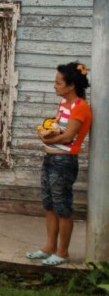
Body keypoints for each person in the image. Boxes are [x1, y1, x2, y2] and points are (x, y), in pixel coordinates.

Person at [28, 61, 92, 267]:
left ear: (71, 85)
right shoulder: (64, 104)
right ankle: (49, 247)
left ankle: (62, 251)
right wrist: (46, 131)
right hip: (51, 159)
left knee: (63, 207)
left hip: (64, 162)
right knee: (49, 205)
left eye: (58, 83)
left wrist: (47, 139)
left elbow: (69, 136)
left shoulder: (80, 108)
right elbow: (58, 129)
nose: (54, 86)